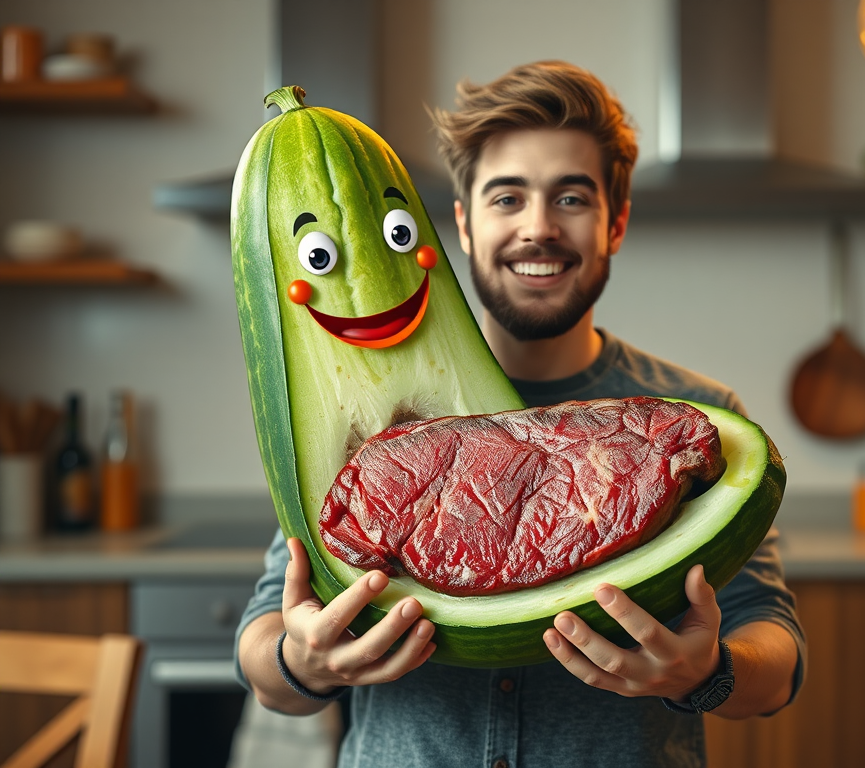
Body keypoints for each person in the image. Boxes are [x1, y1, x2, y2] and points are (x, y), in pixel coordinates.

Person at [235, 60, 806, 768]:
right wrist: (302, 661)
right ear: (462, 227)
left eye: (571, 198)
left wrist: (708, 672)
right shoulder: (370, 417)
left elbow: (775, 658)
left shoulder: (704, 421)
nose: (538, 228)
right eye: (507, 199)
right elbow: (267, 656)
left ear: (615, 222)